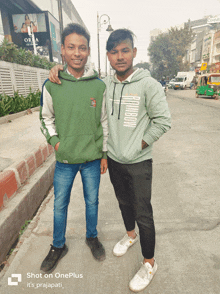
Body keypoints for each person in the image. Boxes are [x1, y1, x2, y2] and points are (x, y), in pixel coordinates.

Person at [48, 28, 171, 292]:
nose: (120, 57)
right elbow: (80, 78)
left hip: (138, 162)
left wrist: (138, 144)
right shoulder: (106, 83)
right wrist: (57, 68)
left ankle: (149, 262)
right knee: (123, 202)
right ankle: (129, 236)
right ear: (107, 56)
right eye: (114, 52)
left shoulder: (148, 85)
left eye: (125, 50)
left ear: (134, 53)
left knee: (143, 212)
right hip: (113, 160)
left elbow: (163, 122)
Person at [39, 23, 108, 274]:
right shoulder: (52, 84)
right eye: (71, 47)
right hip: (65, 161)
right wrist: (57, 143)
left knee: (92, 201)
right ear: (62, 50)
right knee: (60, 205)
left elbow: (104, 122)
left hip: (91, 159)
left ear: (88, 51)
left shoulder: (99, 86)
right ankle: (58, 245)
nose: (77, 53)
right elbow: (45, 119)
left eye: (82, 48)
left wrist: (103, 154)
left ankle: (92, 237)